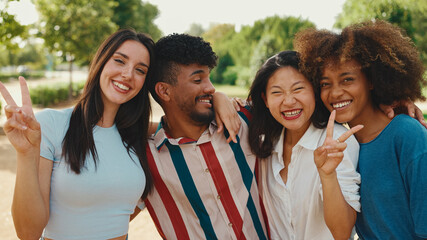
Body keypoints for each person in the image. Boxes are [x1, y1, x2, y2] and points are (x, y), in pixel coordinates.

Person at [0, 29, 155, 240]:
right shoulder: (51, 125)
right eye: (120, 61)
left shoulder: (140, 135)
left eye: (140, 70)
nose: (128, 74)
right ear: (101, 62)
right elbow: (28, 233)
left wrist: (218, 101)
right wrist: (26, 153)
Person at [294, 20, 427, 239]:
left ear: (372, 81)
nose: (335, 93)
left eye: (347, 79)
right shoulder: (342, 146)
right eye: (325, 83)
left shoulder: (407, 134)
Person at [138, 33, 268, 239]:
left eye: (209, 77)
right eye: (198, 79)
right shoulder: (144, 159)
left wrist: (220, 98)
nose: (210, 87)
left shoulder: (244, 120)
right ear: (164, 90)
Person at [247, 50, 362, 239]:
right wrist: (221, 100)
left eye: (298, 89)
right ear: (265, 100)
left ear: (314, 93)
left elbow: (342, 232)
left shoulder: (336, 141)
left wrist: (327, 175)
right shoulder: (265, 141)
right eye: (277, 92)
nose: (289, 101)